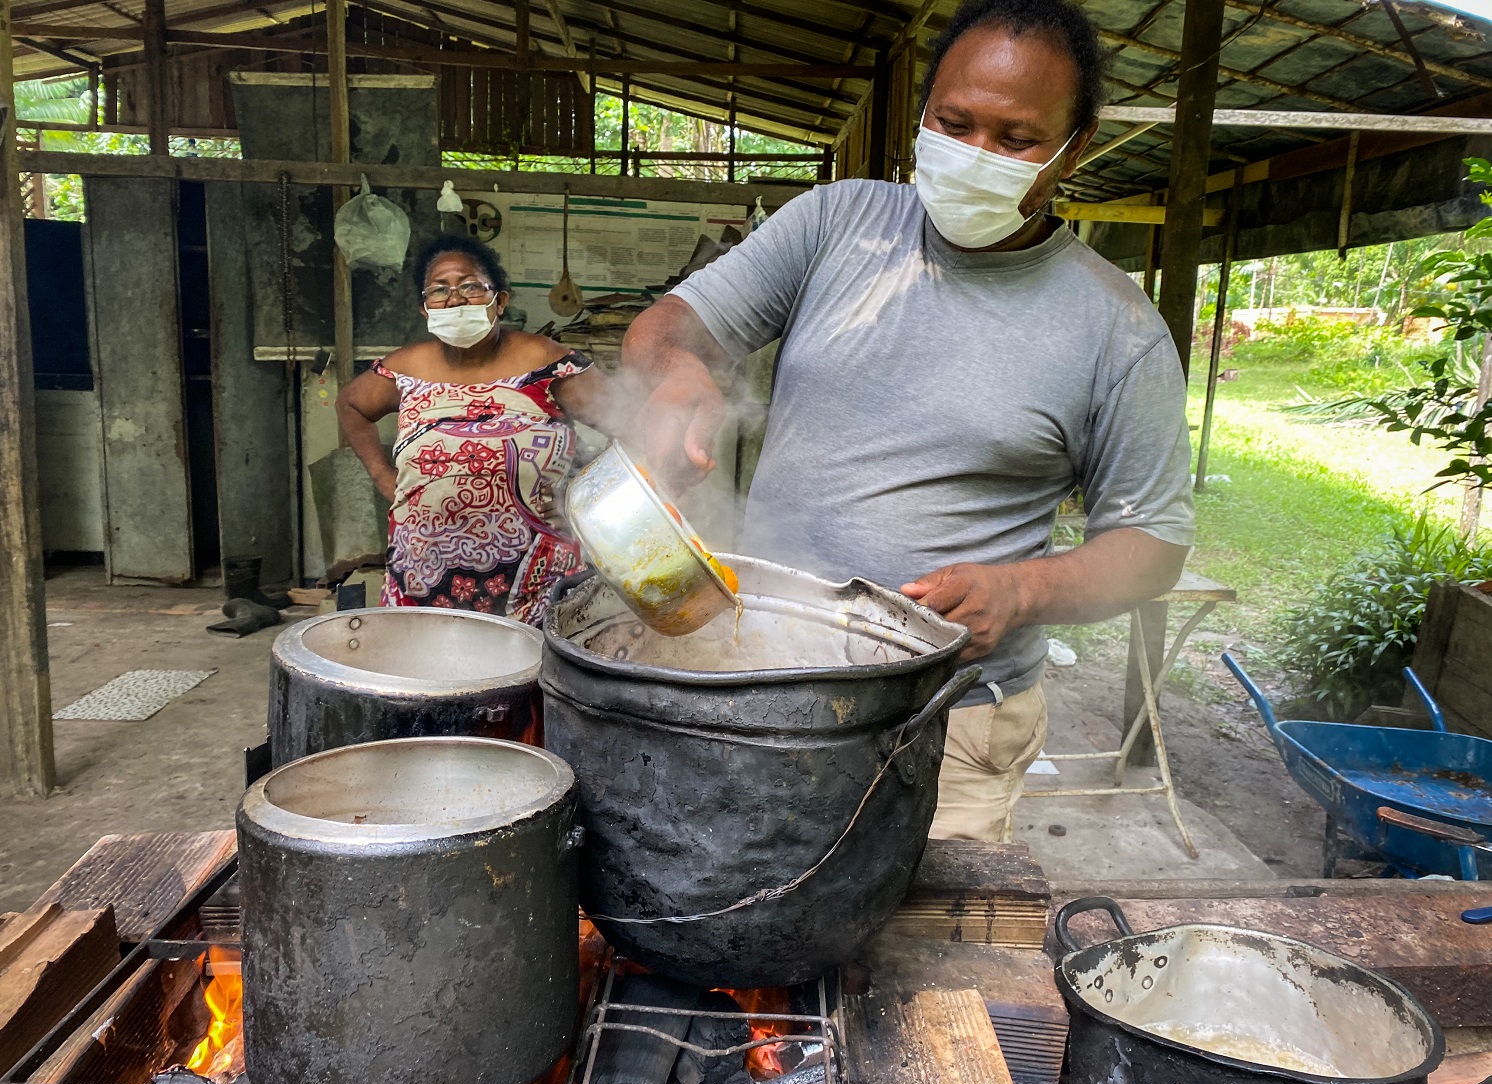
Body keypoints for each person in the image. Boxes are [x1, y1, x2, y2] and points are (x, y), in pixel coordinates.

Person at [621, 0, 1195, 842]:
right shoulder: (835, 224)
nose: (975, 157)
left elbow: (1155, 545)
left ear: (1076, 147)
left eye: (1016, 139)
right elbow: (665, 327)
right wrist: (676, 375)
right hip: (760, 671)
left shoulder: (1118, 327)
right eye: (953, 123)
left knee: (917, 961)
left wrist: (1024, 589)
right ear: (921, 115)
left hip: (950, 721)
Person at [337, 233, 620, 625]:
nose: (454, 299)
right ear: (425, 309)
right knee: (428, 683)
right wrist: (384, 477)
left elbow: (629, 424)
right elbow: (350, 405)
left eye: (470, 286)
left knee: (532, 682)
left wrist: (590, 501)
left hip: (533, 590)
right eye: (438, 291)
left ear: (499, 300)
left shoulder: (546, 362)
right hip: (420, 583)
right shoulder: (405, 367)